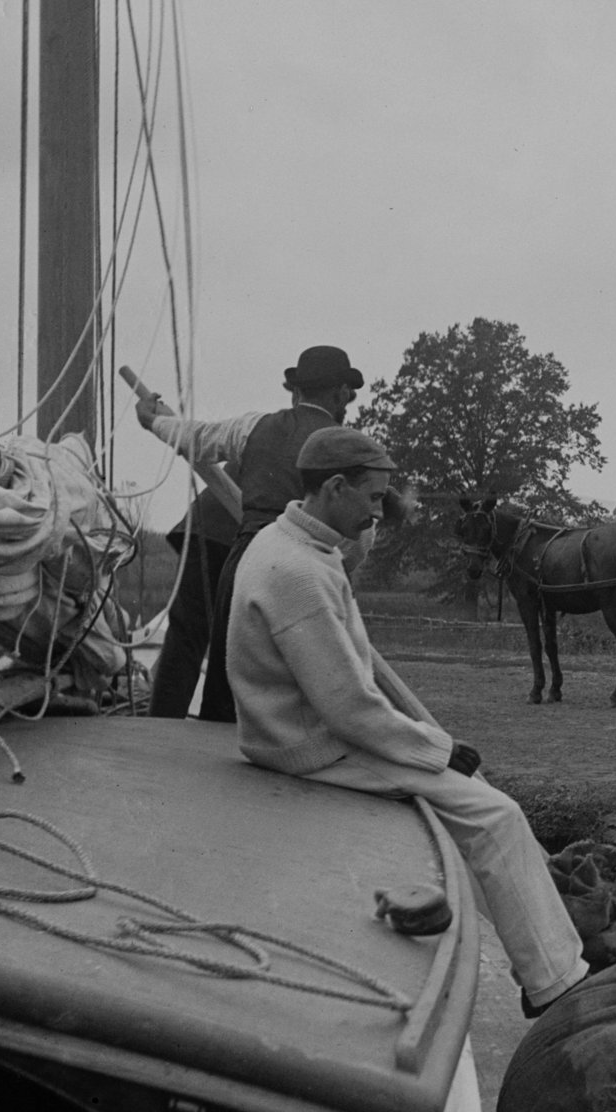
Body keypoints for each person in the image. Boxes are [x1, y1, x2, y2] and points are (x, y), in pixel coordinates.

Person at [228, 424, 589, 1016]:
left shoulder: (288, 545)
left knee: (471, 817)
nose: (379, 511)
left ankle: (537, 957)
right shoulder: (299, 573)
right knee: (496, 815)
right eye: (372, 497)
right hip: (308, 744)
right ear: (336, 487)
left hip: (295, 729)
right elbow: (350, 709)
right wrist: (438, 748)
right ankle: (555, 986)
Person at [136, 344, 365, 725]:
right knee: (244, 655)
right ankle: (221, 734)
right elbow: (356, 537)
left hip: (226, 542)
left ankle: (163, 729)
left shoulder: (256, 426)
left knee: (191, 639)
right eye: (348, 395)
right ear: (341, 392)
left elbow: (197, 437)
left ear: (297, 390)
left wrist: (152, 422)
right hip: (264, 553)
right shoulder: (343, 448)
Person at [145, 481, 240, 718]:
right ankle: (213, 726)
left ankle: (161, 723)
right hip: (236, 533)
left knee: (186, 636)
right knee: (232, 639)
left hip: (207, 525)